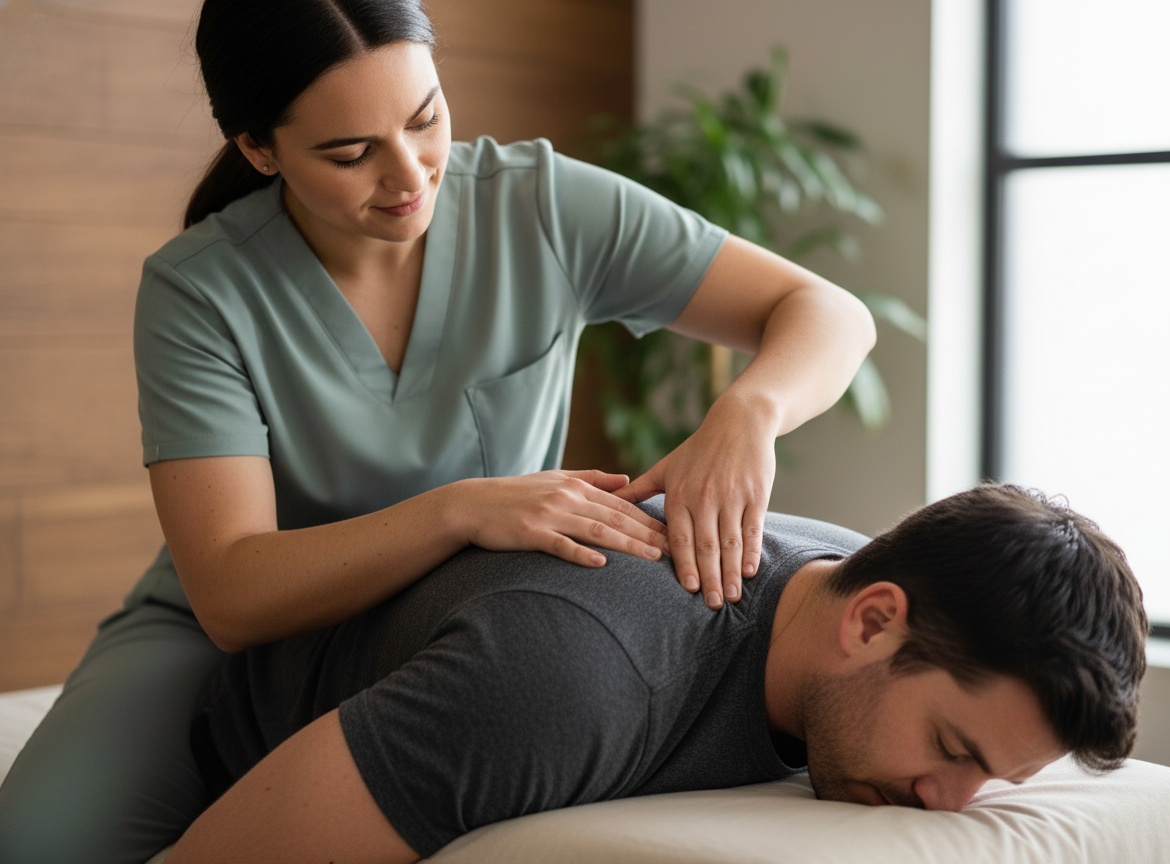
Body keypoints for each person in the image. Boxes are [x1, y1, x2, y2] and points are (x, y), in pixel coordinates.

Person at [0, 1, 876, 862]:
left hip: (458, 615)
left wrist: (747, 413)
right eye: (350, 154)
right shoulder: (200, 291)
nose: (411, 175)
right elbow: (232, 590)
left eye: (426, 119)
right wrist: (457, 511)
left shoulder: (541, 205)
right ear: (259, 149)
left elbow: (828, 313)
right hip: (236, 620)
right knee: (37, 842)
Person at [164, 484, 1149, 863]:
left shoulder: (850, 571)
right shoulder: (565, 684)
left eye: (990, 781)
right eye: (949, 749)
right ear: (872, 620)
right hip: (224, 709)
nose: (946, 803)